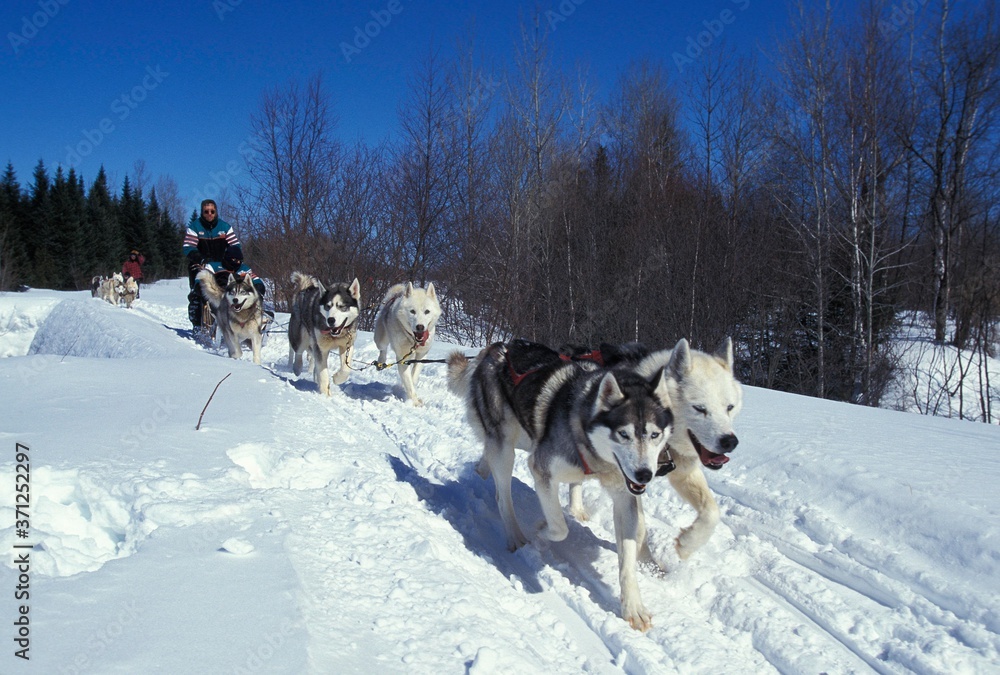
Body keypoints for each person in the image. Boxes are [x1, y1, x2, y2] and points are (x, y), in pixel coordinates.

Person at [183, 199, 242, 328]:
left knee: (228, 291)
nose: (209, 214)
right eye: (206, 211)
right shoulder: (194, 227)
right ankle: (198, 324)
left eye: (212, 211)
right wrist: (200, 259)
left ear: (216, 212)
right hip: (199, 265)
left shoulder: (225, 227)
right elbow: (188, 247)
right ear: (202, 212)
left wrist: (232, 259)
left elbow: (235, 246)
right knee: (197, 293)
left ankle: (232, 321)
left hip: (221, 265)